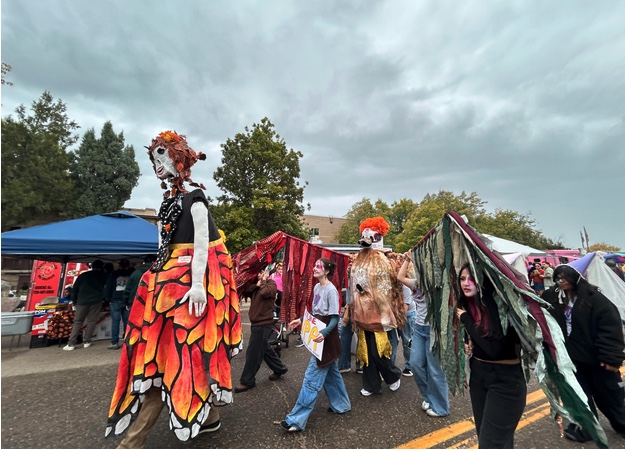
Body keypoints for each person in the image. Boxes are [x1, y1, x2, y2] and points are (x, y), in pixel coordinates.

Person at [106, 130, 242, 447]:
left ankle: (137, 437)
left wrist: (197, 285)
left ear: (179, 158)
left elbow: (202, 242)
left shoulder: (195, 199)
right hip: (165, 281)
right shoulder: (166, 202)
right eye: (154, 158)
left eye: (162, 156)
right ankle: (208, 416)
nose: (157, 165)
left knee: (183, 349)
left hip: (190, 281)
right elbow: (161, 250)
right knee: (162, 347)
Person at [541, 264, 625, 443]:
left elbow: (610, 330)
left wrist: (611, 358)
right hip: (570, 360)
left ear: (576, 277)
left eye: (565, 277)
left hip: (596, 360)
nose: (561, 281)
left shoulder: (596, 300)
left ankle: (622, 423)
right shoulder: (552, 297)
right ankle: (585, 428)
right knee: (579, 397)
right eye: (558, 277)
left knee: (610, 396)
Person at [454, 262, 527, 448]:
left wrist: (466, 320)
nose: (466, 283)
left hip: (505, 380)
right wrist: (468, 344)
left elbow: (494, 349)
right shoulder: (467, 305)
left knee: (491, 443)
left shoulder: (499, 305)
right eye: (462, 279)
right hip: (479, 375)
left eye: (472, 279)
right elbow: (478, 340)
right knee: (489, 438)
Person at [280, 258, 351, 432]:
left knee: (312, 378)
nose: (315, 268)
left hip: (327, 340)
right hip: (319, 336)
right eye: (315, 265)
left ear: (327, 270)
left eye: (319, 266)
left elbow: (335, 317)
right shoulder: (317, 287)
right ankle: (342, 405)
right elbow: (315, 312)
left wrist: (324, 333)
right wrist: (301, 320)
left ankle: (296, 419)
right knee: (330, 374)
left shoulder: (332, 291)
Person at [350, 217, 405, 396]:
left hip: (378, 314)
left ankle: (393, 375)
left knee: (378, 351)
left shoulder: (383, 260)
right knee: (365, 351)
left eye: (371, 235)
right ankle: (371, 385)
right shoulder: (358, 259)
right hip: (361, 313)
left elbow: (387, 287)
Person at [398, 252, 450, 418]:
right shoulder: (415, 284)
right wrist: (407, 259)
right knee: (415, 365)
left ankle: (441, 407)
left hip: (435, 331)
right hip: (419, 329)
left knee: (435, 370)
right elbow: (400, 277)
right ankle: (429, 398)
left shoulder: (438, 286)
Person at [234, 268, 288, 393]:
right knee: (265, 349)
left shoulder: (271, 284)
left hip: (264, 323)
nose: (259, 275)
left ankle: (247, 381)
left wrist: (263, 280)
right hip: (256, 322)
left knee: (253, 353)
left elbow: (265, 293)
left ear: (266, 273)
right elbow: (246, 291)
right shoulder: (257, 286)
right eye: (258, 273)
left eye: (261, 272)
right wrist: (256, 285)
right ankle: (280, 368)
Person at [63, 260, 108, 351]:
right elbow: (106, 288)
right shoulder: (103, 276)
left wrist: (74, 300)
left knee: (78, 321)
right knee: (92, 321)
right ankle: (87, 341)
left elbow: (75, 289)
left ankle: (71, 343)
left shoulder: (83, 276)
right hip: (96, 301)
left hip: (82, 301)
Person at [105, 259, 134, 350]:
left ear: (119, 265)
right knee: (127, 321)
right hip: (127, 301)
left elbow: (108, 287)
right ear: (128, 265)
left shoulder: (113, 274)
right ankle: (127, 341)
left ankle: (114, 342)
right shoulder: (131, 274)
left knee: (115, 322)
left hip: (115, 300)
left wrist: (107, 299)